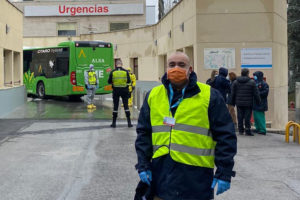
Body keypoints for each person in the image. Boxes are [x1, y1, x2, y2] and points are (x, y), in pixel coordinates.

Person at [135, 52, 237, 200]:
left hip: (196, 178)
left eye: (181, 65)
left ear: (190, 69)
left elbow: (225, 136)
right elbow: (143, 133)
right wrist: (143, 165)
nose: (176, 68)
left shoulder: (210, 96)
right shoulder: (153, 95)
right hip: (161, 175)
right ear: (166, 69)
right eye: (172, 65)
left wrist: (224, 172)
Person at [231, 68, 260, 136]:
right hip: (248, 103)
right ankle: (247, 130)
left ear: (241, 73)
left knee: (240, 116)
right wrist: (258, 101)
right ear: (247, 73)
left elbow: (233, 93)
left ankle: (241, 130)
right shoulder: (252, 82)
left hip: (239, 103)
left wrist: (232, 102)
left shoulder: (235, 82)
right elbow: (256, 93)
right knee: (247, 117)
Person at [108, 59, 133, 128]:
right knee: (126, 106)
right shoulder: (125, 71)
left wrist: (114, 82)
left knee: (115, 107)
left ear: (116, 64)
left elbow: (109, 81)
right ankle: (129, 123)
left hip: (116, 91)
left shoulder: (113, 72)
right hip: (124, 90)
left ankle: (114, 123)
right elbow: (129, 81)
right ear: (121, 64)